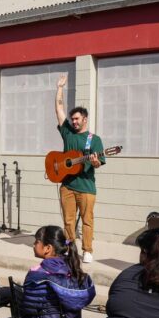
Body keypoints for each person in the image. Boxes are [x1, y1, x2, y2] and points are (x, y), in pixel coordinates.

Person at [1, 225, 95, 318]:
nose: (33, 245)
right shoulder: (73, 267)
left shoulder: (37, 273)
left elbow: (28, 308)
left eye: (36, 242)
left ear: (48, 248)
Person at [55, 75, 105, 263]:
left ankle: (87, 250)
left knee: (87, 220)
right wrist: (59, 88)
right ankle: (70, 248)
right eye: (72, 119)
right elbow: (59, 109)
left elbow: (99, 163)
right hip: (67, 185)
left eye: (77, 119)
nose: (74, 122)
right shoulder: (67, 132)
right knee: (68, 220)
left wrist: (94, 162)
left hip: (86, 187)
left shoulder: (94, 140)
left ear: (85, 119)